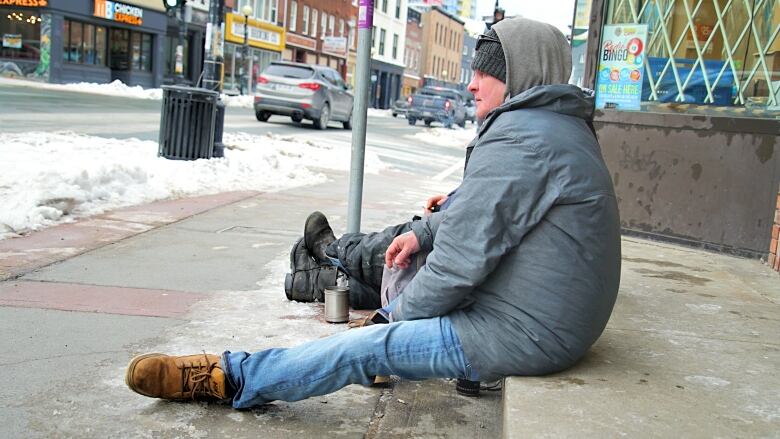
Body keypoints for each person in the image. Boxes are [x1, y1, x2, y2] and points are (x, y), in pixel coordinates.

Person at [125, 17, 622, 408]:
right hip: (547, 316)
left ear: (522, 74)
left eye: (487, 70)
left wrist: (390, 319)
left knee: (366, 348)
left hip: (527, 331)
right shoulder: (549, 128)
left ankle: (230, 377)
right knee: (408, 260)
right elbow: (484, 209)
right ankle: (322, 274)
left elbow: (460, 263)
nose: (472, 85)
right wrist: (424, 232)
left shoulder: (525, 138)